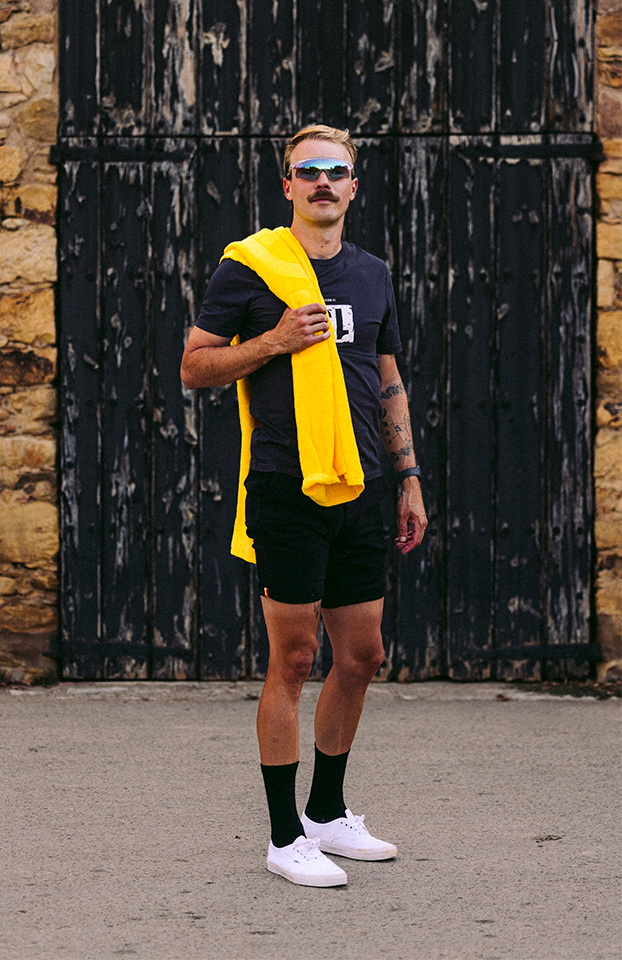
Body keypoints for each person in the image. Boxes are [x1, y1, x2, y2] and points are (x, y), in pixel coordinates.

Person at [180, 124, 427, 887]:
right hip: (287, 487)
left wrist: (409, 477)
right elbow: (194, 366)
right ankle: (285, 837)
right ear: (286, 185)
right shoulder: (250, 268)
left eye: (336, 171)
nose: (323, 181)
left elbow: (387, 378)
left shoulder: (374, 274)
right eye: (307, 170)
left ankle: (326, 812)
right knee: (291, 659)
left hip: (363, 487)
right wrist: (273, 342)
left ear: (355, 186)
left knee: (361, 656)